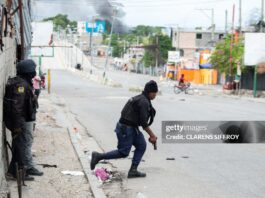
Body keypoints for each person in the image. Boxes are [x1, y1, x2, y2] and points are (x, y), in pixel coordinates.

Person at [90, 80, 158, 178]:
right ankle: (98, 156)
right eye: (155, 93)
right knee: (123, 152)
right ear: (151, 92)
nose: (155, 95)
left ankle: (133, 171)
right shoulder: (143, 102)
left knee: (141, 145)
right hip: (126, 128)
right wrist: (152, 135)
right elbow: (144, 123)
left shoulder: (140, 98)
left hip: (131, 128)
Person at [4, 59, 43, 180]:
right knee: (21, 146)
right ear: (27, 71)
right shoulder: (21, 85)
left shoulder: (24, 82)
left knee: (21, 145)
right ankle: (20, 172)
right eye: (32, 69)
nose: (34, 72)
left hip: (23, 120)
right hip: (21, 122)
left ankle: (17, 170)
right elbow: (17, 107)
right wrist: (17, 126)